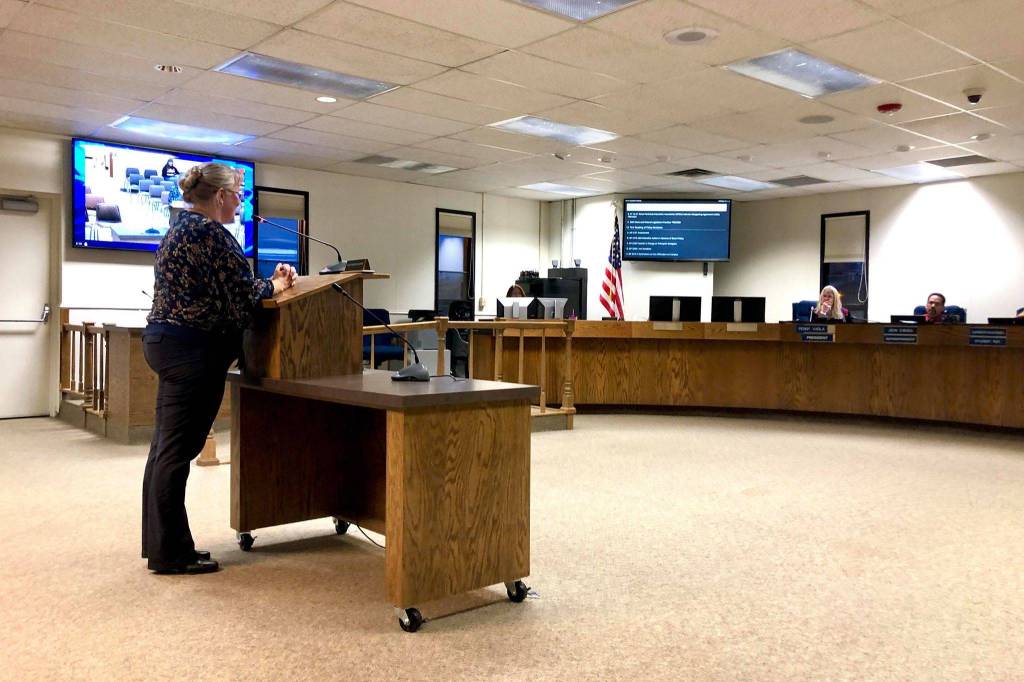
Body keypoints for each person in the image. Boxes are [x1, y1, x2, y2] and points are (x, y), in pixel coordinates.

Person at [142, 162, 297, 575]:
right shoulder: (211, 234)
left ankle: (161, 545)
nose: (241, 203)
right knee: (175, 452)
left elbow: (225, 290)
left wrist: (265, 283)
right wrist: (278, 284)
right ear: (220, 196)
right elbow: (242, 300)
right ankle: (170, 553)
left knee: (164, 449)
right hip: (192, 350)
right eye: (239, 196)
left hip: (166, 342)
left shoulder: (178, 228)